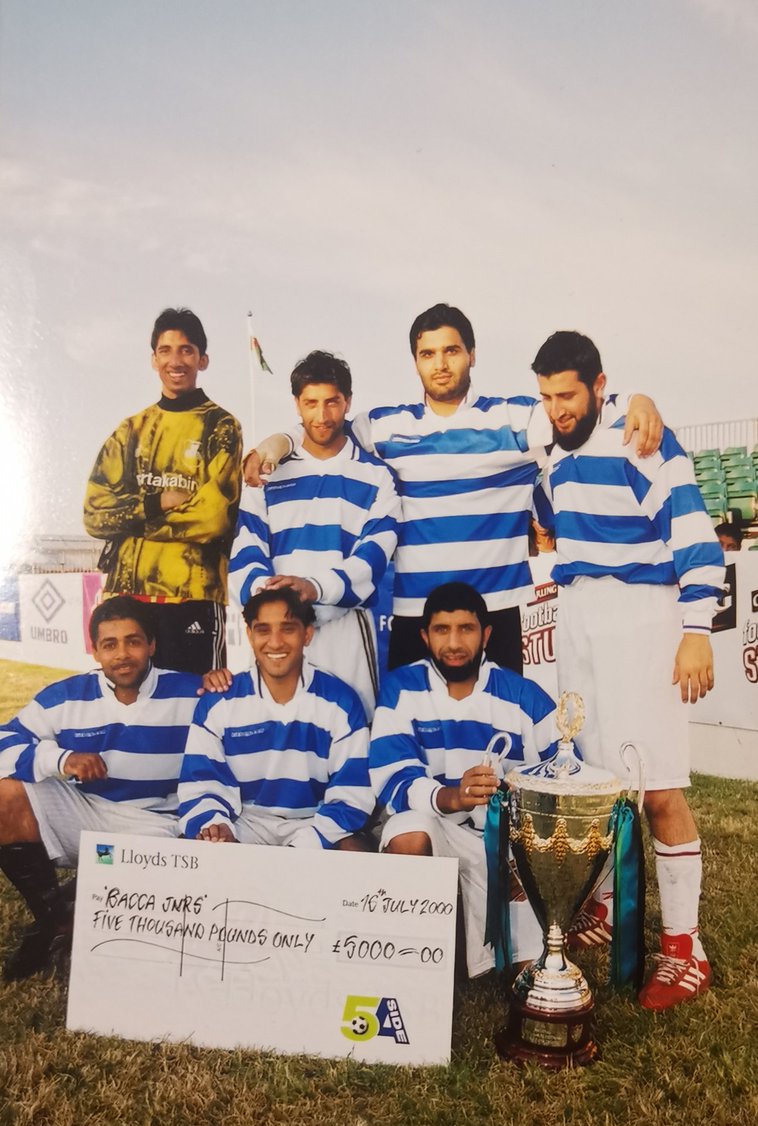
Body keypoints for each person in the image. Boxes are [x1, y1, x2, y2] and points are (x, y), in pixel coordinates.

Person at [244, 303, 663, 673]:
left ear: (471, 355)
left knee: (501, 744)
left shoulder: (515, 419)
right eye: (428, 353)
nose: (440, 363)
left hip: (493, 611)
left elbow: (577, 406)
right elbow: (321, 426)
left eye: (451, 351)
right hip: (415, 615)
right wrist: (278, 441)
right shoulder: (383, 426)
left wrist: (634, 401)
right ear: (415, 362)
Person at [531, 330, 726, 1011]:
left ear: (599, 384)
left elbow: (694, 534)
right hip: (580, 616)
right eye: (548, 396)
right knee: (597, 782)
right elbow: (548, 512)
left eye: (569, 394)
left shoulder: (639, 435)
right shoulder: (547, 444)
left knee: (658, 787)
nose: (558, 408)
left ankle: (684, 950)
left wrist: (697, 631)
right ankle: (611, 909)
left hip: (645, 614)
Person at [0, 596, 202, 981]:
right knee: (4, 794)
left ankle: (81, 903)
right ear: (95, 650)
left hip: (160, 824)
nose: (122, 654)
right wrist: (61, 759)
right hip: (87, 812)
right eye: (110, 644)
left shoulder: (191, 693)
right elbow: (4, 740)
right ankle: (57, 922)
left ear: (152, 645)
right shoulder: (65, 696)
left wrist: (221, 681)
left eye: (133, 641)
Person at [369, 582, 557, 978]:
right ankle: (413, 965)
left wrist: (532, 858)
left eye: (466, 629)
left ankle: (505, 958)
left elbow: (563, 778)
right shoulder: (401, 687)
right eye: (442, 630)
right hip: (438, 827)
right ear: (425, 636)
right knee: (407, 832)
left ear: (486, 634)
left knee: (531, 980)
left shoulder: (524, 694)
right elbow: (393, 777)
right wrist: (454, 796)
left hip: (502, 842)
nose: (454, 642)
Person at [228, 350, 400, 716]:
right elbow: (246, 551)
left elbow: (373, 559)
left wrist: (313, 588)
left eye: (332, 403)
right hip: (280, 628)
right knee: (280, 740)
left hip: (345, 633)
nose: (321, 416)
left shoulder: (377, 475)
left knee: (352, 737)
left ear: (348, 402)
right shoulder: (267, 473)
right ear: (296, 404)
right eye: (311, 403)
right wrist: (277, 602)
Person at [83, 307, 242, 673]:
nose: (176, 360)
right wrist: (156, 502)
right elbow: (93, 515)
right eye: (166, 350)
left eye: (186, 350)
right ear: (153, 359)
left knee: (195, 707)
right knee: (131, 712)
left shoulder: (221, 425)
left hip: (193, 596)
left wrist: (131, 523)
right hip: (127, 596)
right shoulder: (131, 430)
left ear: (203, 359)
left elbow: (213, 519)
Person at [177, 587, 374, 849]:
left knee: (355, 849)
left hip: (312, 823)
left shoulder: (341, 701)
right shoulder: (219, 701)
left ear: (307, 634)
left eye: (288, 629)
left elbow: (352, 794)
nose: (275, 642)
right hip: (244, 823)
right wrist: (217, 825)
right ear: (249, 634)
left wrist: (307, 843)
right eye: (263, 630)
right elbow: (202, 783)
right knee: (198, 845)